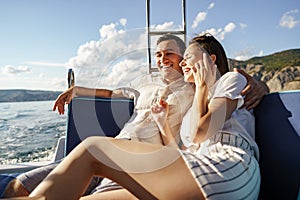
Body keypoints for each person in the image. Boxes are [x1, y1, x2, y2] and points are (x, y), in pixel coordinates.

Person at [3, 33, 266, 198]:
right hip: (161, 162)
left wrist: (252, 82)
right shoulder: (146, 85)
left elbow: (213, 112)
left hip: (189, 167)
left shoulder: (204, 88)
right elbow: (182, 149)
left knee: (93, 148)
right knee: (17, 188)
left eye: (178, 55)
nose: (165, 60)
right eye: (159, 55)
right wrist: (76, 90)